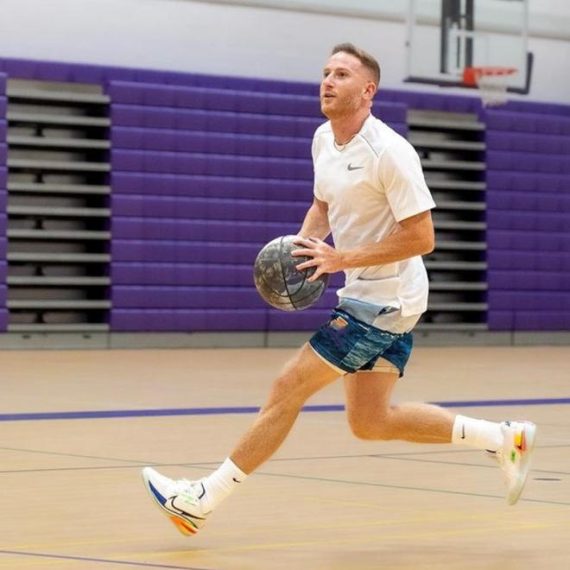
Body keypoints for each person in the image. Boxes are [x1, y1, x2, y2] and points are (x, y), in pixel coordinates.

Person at [141, 43, 536, 536]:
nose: (328, 81)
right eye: (325, 72)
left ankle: (201, 498)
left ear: (367, 90)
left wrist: (340, 258)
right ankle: (504, 438)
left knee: (288, 387)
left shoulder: (389, 152)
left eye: (342, 74)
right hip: (369, 292)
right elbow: (324, 205)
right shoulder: (323, 140)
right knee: (370, 421)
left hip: (387, 299)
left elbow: (423, 237)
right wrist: (305, 252)